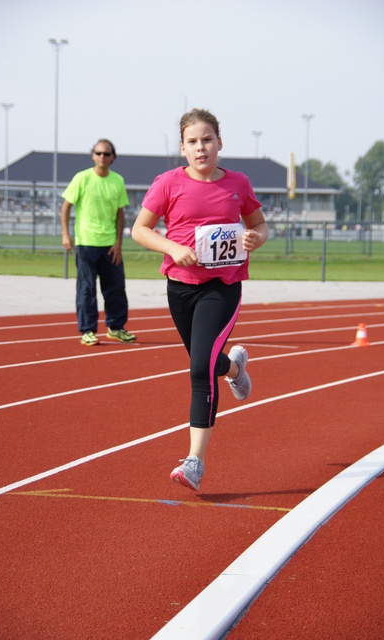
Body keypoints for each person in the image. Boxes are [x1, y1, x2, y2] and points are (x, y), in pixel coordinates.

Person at [131, 108, 268, 491]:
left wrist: (257, 238)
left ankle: (195, 461)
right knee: (204, 360)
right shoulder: (168, 183)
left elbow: (258, 225)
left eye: (207, 139)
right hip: (180, 287)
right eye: (192, 141)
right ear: (183, 148)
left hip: (222, 287)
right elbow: (140, 230)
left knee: (198, 371)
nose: (200, 147)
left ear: (219, 143)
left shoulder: (238, 183)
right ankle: (236, 370)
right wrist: (173, 248)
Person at [61, 139, 136, 346]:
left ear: (113, 157)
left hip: (110, 244)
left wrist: (119, 242)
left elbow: (120, 214)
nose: (102, 157)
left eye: (106, 153)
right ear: (93, 155)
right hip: (86, 243)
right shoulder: (81, 178)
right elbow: (66, 207)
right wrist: (65, 235)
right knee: (86, 288)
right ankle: (87, 331)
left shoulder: (117, 181)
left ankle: (116, 327)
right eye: (98, 153)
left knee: (116, 288)